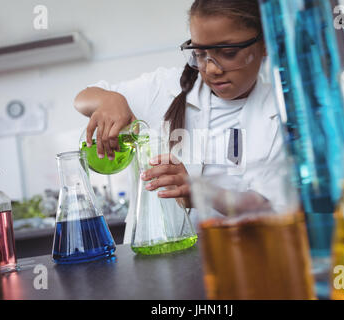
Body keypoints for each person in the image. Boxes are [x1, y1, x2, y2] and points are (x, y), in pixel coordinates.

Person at [74, 0, 285, 243]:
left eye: (228, 53)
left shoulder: (279, 114)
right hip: (156, 259)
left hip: (238, 257)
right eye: (200, 54)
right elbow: (83, 99)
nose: (212, 69)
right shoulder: (165, 87)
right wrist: (111, 100)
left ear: (265, 45)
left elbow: (270, 206)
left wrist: (203, 193)